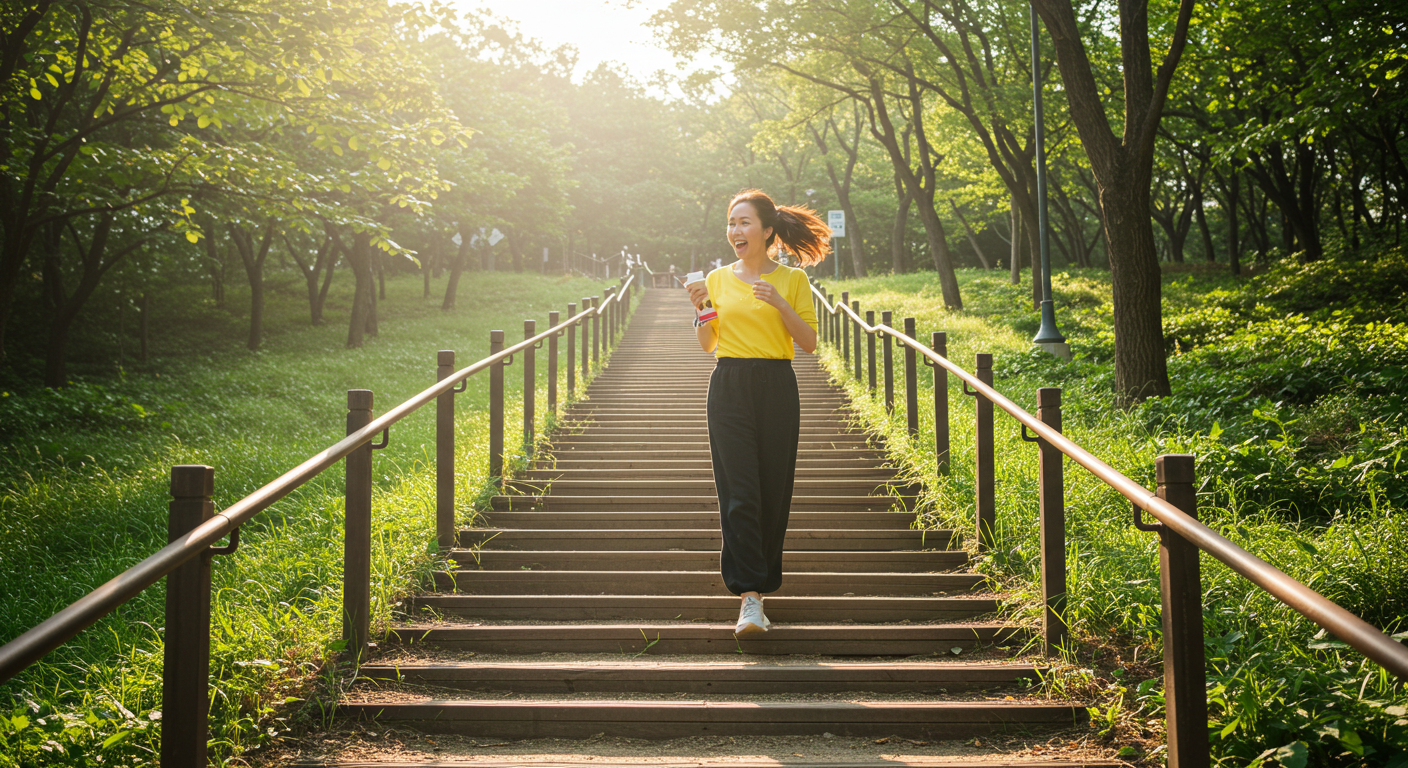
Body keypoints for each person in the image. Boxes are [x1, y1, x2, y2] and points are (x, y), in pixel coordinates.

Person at [684, 189, 830, 635]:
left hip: (776, 386)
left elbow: (809, 343)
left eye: (744, 222)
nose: (736, 230)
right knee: (739, 492)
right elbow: (709, 344)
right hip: (728, 384)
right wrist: (701, 310)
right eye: (731, 223)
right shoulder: (716, 279)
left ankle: (762, 586)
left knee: (772, 491)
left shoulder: (793, 280)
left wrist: (779, 302)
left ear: (767, 231)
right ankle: (749, 597)